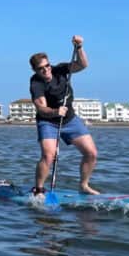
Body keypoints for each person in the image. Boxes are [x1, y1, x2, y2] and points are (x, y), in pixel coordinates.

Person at [29, 35, 99, 196]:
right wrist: (55, 112)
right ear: (35, 71)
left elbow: (82, 64)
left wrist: (79, 47)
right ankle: (38, 189)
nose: (46, 70)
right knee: (48, 155)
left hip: (70, 119)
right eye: (41, 68)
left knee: (91, 153)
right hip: (48, 122)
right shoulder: (36, 83)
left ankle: (84, 185)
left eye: (47, 66)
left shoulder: (60, 69)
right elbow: (41, 108)